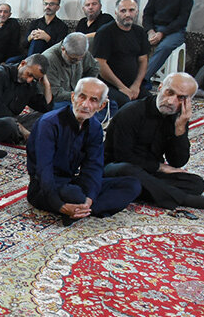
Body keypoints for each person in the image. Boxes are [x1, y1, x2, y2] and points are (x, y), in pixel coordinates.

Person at [27, 78, 141, 223]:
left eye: (93, 100)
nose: (85, 105)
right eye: (82, 97)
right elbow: (44, 171)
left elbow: (93, 167)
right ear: (73, 97)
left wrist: (89, 199)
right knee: (74, 194)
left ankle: (82, 209)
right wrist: (59, 206)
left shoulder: (94, 127)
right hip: (44, 187)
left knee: (132, 185)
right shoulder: (49, 123)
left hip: (71, 181)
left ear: (101, 106)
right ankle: (76, 207)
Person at [104, 72, 204, 210]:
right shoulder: (131, 112)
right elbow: (123, 157)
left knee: (196, 183)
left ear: (188, 101)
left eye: (181, 98)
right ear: (160, 87)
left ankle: (145, 190)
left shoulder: (178, 118)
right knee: (126, 169)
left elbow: (177, 162)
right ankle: (187, 200)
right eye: (169, 92)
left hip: (148, 173)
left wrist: (180, 129)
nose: (171, 101)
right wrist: (160, 167)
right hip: (116, 168)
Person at [0, 54, 53, 139]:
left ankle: (20, 135)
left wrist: (47, 85)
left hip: (13, 121)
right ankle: (21, 135)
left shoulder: (30, 84)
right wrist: (21, 128)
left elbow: (45, 108)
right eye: (29, 74)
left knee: (46, 117)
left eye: (34, 78)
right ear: (23, 64)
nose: (29, 80)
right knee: (10, 125)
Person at [143, 0, 194, 87]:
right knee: (133, 42)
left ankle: (142, 79)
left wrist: (162, 33)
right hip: (154, 28)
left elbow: (182, 20)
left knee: (165, 47)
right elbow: (147, 14)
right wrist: (150, 31)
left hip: (175, 31)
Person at [93, 0, 149, 109]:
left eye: (131, 10)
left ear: (137, 12)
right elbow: (100, 64)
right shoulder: (105, 32)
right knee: (128, 106)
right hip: (109, 85)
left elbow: (143, 60)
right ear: (116, 12)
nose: (127, 14)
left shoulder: (140, 32)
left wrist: (136, 85)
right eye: (123, 11)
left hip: (133, 84)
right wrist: (122, 87)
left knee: (151, 103)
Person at [42, 33, 102, 111]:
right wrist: (80, 95)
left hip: (76, 96)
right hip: (57, 100)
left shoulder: (81, 51)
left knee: (107, 104)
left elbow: (94, 67)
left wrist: (88, 87)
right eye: (73, 59)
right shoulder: (49, 60)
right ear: (63, 49)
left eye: (81, 58)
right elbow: (55, 93)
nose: (77, 62)